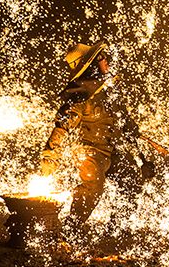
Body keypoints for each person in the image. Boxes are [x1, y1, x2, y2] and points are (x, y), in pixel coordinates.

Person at [39, 41, 151, 233]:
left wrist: (142, 159)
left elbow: (126, 124)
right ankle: (69, 230)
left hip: (110, 151)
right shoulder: (80, 97)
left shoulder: (110, 91)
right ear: (89, 65)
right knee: (93, 189)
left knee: (131, 178)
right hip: (89, 152)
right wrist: (50, 159)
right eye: (100, 58)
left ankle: (117, 229)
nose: (105, 60)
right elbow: (61, 127)